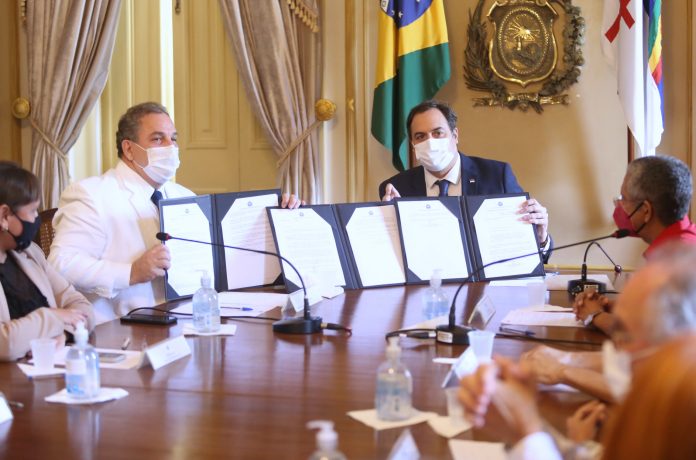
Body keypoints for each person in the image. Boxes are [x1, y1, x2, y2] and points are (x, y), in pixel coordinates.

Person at [50, 102, 302, 323]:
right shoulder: (91, 195)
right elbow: (61, 265)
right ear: (129, 149)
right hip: (122, 329)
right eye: (158, 139)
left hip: (190, 321)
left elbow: (226, 257)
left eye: (174, 138)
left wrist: (280, 217)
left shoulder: (184, 196)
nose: (171, 147)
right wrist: (131, 272)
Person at [378, 100, 551, 259]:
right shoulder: (396, 188)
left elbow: (527, 251)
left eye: (438, 133)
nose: (430, 142)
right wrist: (387, 228)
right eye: (420, 136)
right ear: (413, 145)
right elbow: (389, 257)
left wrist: (540, 239)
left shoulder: (497, 175)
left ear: (455, 135)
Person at [574, 155, 696, 335]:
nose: (619, 205)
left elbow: (648, 335)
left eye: (624, 199)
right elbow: (660, 315)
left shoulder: (675, 260)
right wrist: (611, 307)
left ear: (645, 210)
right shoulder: (684, 241)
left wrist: (594, 315)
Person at [0, 162, 93, 361]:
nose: (37, 218)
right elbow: (4, 344)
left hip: (46, 368)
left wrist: (65, 334)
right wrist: (54, 316)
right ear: (4, 216)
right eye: (33, 210)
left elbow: (81, 306)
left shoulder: (31, 253)